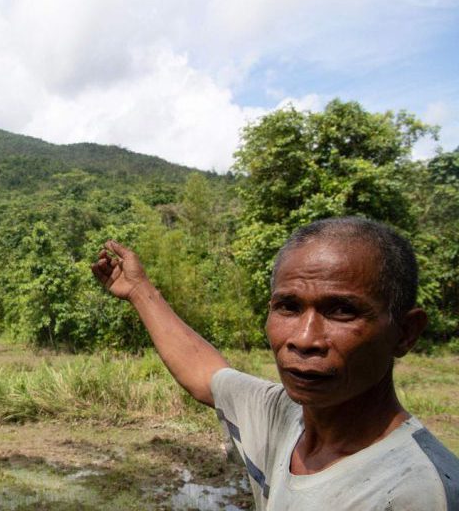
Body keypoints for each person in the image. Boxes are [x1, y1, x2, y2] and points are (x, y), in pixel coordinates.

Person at [91, 216, 458, 510]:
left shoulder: (418, 491)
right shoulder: (283, 415)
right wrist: (140, 291)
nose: (304, 338)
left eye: (342, 311)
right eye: (289, 307)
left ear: (406, 332)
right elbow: (206, 374)